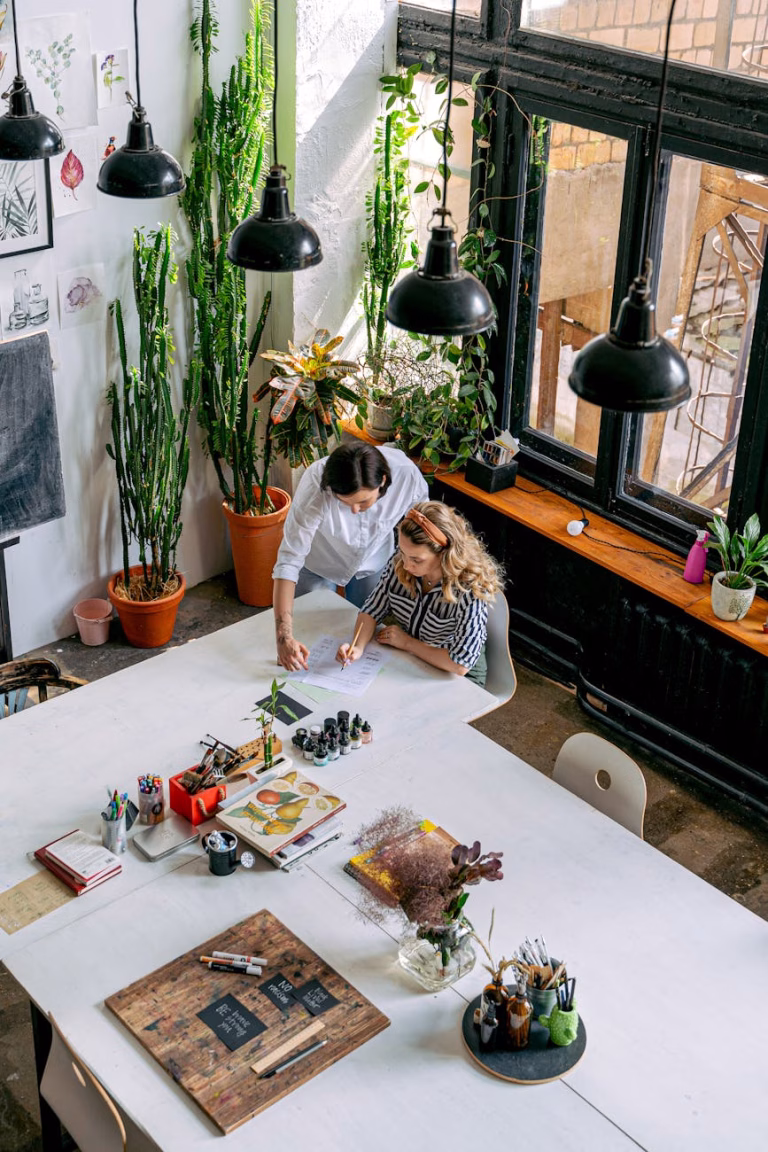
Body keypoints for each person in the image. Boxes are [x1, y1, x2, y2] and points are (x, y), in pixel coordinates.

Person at [273, 442, 428, 671]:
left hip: (373, 562)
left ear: (383, 481)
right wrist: (283, 638)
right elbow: (289, 560)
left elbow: (424, 526)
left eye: (363, 501)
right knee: (310, 633)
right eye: (345, 503)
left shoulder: (407, 476)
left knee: (358, 636)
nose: (355, 510)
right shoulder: (315, 484)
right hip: (319, 562)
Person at [336, 500, 503, 685]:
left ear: (444, 553)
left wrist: (407, 643)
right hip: (417, 657)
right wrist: (358, 647)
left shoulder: (469, 589)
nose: (406, 565)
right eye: (403, 552)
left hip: (455, 671)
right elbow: (372, 609)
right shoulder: (400, 562)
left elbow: (460, 664)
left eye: (416, 559)